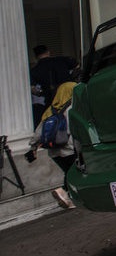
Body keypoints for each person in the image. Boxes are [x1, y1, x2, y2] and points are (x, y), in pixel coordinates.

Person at [25, 80, 78, 209]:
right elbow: (74, 129)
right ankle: (63, 192)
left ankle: (69, 198)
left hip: (54, 151)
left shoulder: (50, 110)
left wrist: (33, 147)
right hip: (69, 148)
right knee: (74, 171)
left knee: (69, 172)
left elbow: (39, 132)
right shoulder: (72, 108)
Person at [29, 45, 75, 116]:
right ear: (48, 52)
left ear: (36, 57)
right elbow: (77, 66)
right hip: (70, 97)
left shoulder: (35, 70)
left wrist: (41, 93)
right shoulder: (62, 60)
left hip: (52, 101)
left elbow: (33, 89)